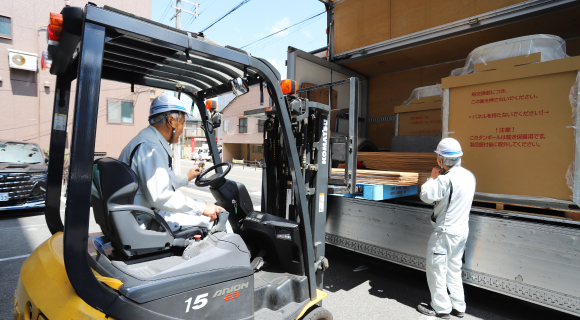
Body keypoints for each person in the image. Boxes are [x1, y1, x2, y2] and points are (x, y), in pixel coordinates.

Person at [119, 95, 224, 232]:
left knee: (200, 204)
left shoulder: (147, 140)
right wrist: (202, 209)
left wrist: (186, 178)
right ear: (171, 121)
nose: (182, 129)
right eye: (182, 123)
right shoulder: (151, 148)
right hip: (145, 220)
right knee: (215, 218)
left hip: (141, 213)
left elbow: (162, 182)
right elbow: (161, 195)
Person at [417, 138, 476, 319]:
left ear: (441, 159)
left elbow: (426, 195)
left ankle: (441, 308)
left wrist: (432, 178)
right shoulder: (469, 176)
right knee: (454, 269)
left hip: (444, 233)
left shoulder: (444, 180)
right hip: (461, 231)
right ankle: (459, 306)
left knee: (437, 269)